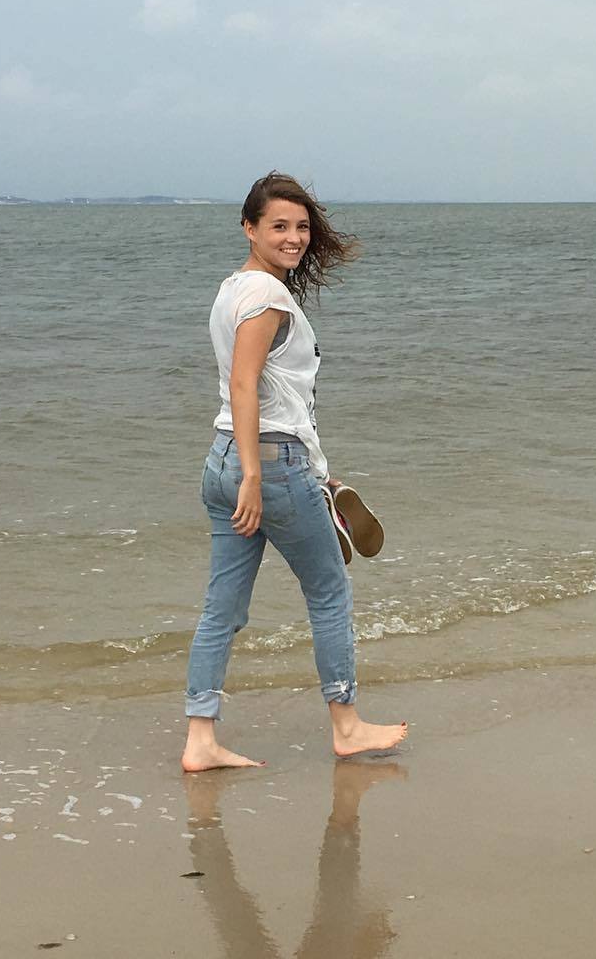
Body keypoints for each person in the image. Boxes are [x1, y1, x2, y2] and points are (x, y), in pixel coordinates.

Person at [181, 172, 408, 772]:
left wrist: (288, 468)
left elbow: (264, 392)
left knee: (222, 608)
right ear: (249, 228)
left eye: (302, 227)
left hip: (223, 460)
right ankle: (348, 726)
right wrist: (257, 477)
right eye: (278, 226)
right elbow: (244, 384)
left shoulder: (233, 289)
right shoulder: (268, 299)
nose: (294, 238)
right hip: (266, 465)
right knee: (329, 592)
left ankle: (200, 739)